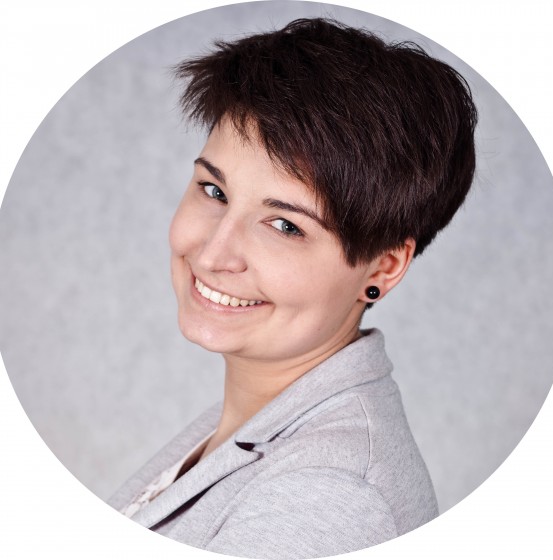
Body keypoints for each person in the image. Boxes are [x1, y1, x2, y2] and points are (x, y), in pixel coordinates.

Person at [108, 18, 477, 559]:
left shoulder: (328, 499)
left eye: (285, 225)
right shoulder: (262, 420)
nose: (212, 255)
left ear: (383, 267)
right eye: (214, 190)